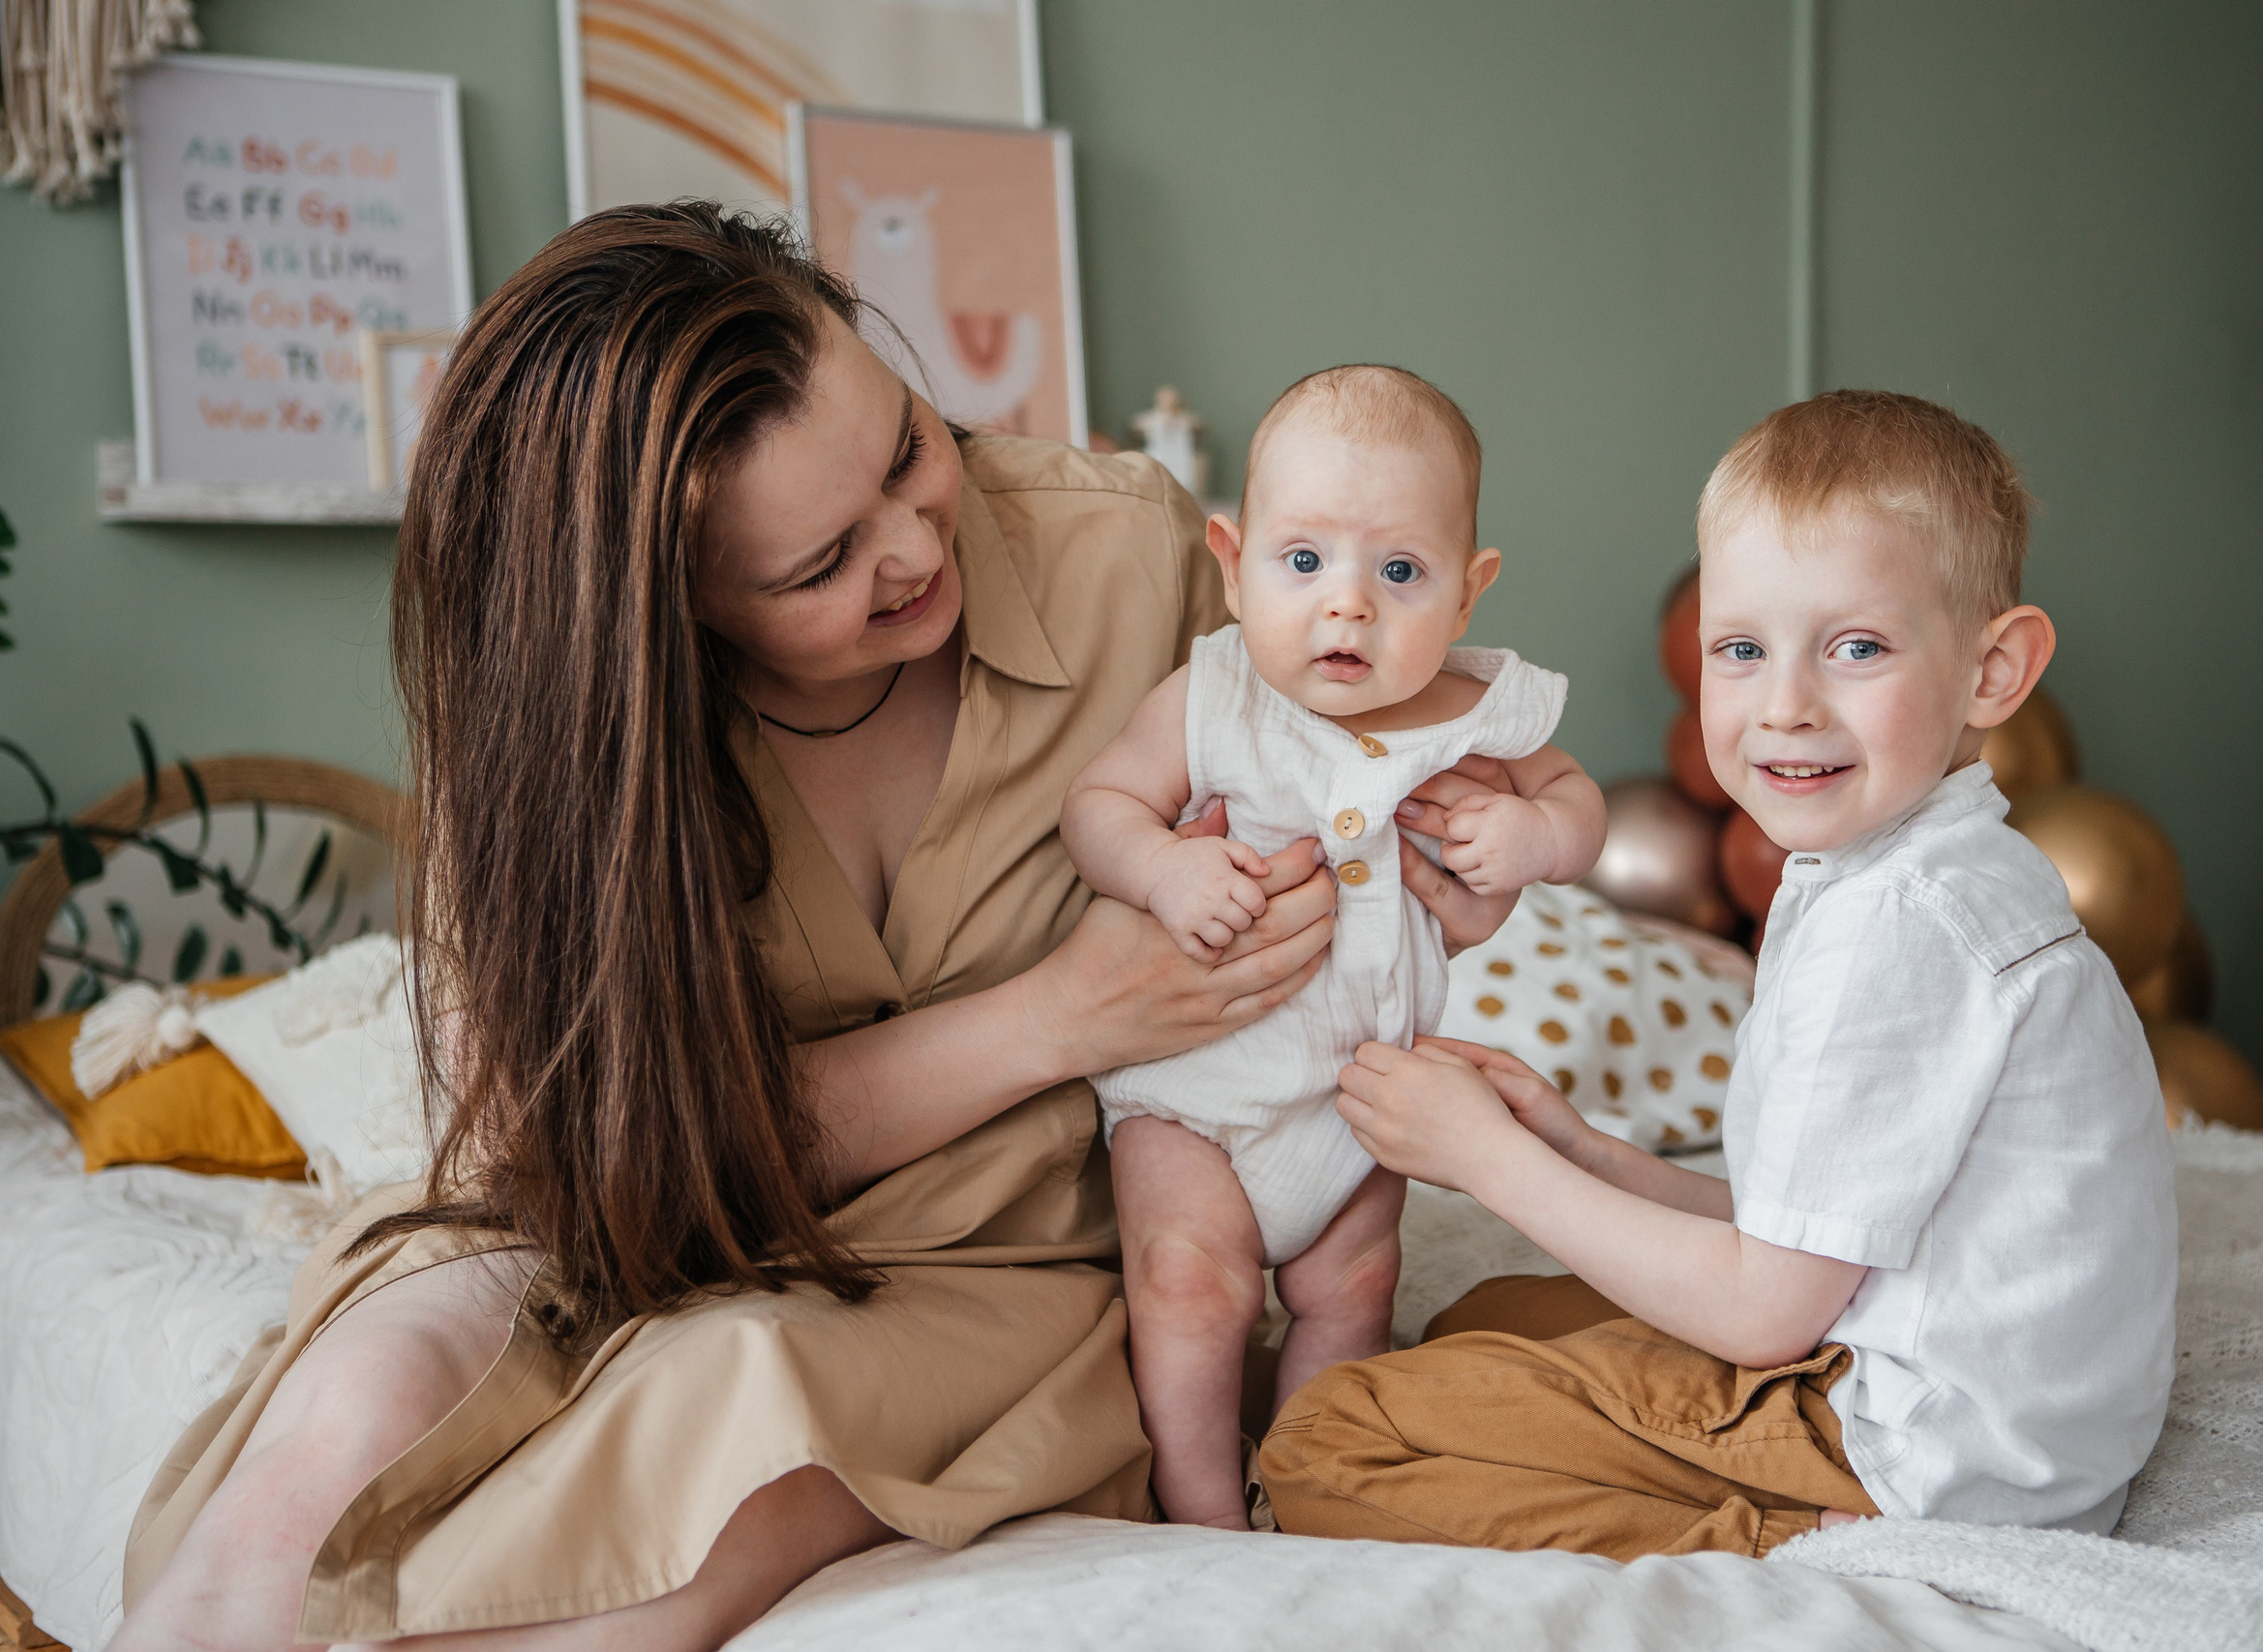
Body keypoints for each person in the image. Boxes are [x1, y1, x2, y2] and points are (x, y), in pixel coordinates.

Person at [109, 206, 1524, 1652]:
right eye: (820, 562)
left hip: (982, 1259)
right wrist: (1061, 1011)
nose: (918, 544)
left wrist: (1448, 876)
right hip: (603, 1211)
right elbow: (568, 1165)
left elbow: (1374, 744)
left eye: (911, 448)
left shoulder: (1126, 554)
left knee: (743, 1409)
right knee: (346, 1423)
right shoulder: (562, 726)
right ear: (668, 611)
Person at [1259, 389, 2178, 1558]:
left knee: (1327, 1443)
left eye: (1857, 648)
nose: (1786, 706)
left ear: (1994, 672)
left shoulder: (1892, 927)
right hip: (2001, 1416)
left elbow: (1764, 1311)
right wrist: (1586, 1153)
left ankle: (1779, 1548)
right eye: (1742, 650)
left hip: (1918, 1457)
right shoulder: (1940, 864)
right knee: (1480, 1321)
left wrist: (1482, 1161)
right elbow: (1828, 1232)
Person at [1062, 367, 1606, 1530]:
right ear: (1233, 559)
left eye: (1399, 572)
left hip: (1360, 1100)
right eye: (1302, 563)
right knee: (1186, 1285)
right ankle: (1204, 1511)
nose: (1347, 606)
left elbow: (1579, 806)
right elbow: (1096, 805)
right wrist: (1162, 867)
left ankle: (1301, 1488)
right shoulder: (1213, 698)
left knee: (1354, 1292)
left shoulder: (1478, 712)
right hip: (1193, 1093)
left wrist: (1534, 833)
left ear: (1469, 592)